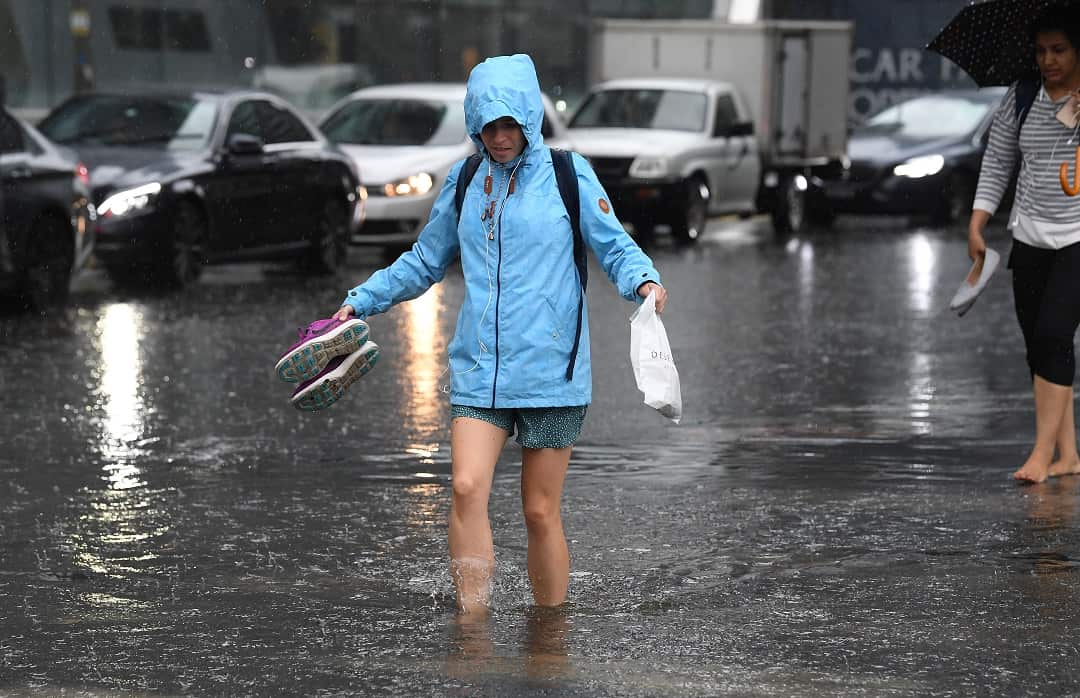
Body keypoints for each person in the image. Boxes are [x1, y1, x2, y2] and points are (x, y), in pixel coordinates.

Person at [332, 54, 668, 611]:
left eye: (510, 123)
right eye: (489, 126)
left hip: (552, 372)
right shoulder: (465, 180)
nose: (500, 136)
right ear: (475, 126)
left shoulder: (567, 173)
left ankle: (550, 632)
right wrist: (359, 302)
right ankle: (473, 628)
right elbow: (423, 261)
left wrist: (645, 282)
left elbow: (614, 246)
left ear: (529, 120)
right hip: (479, 369)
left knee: (539, 509)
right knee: (465, 487)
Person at [967, 7, 1080, 484]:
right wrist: (978, 222)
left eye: (1059, 50)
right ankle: (1069, 455)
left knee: (1055, 334)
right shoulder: (1023, 95)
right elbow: (997, 161)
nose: (1048, 60)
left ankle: (1040, 454)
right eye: (1040, 51)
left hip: (1078, 235)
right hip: (1029, 234)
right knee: (1038, 345)